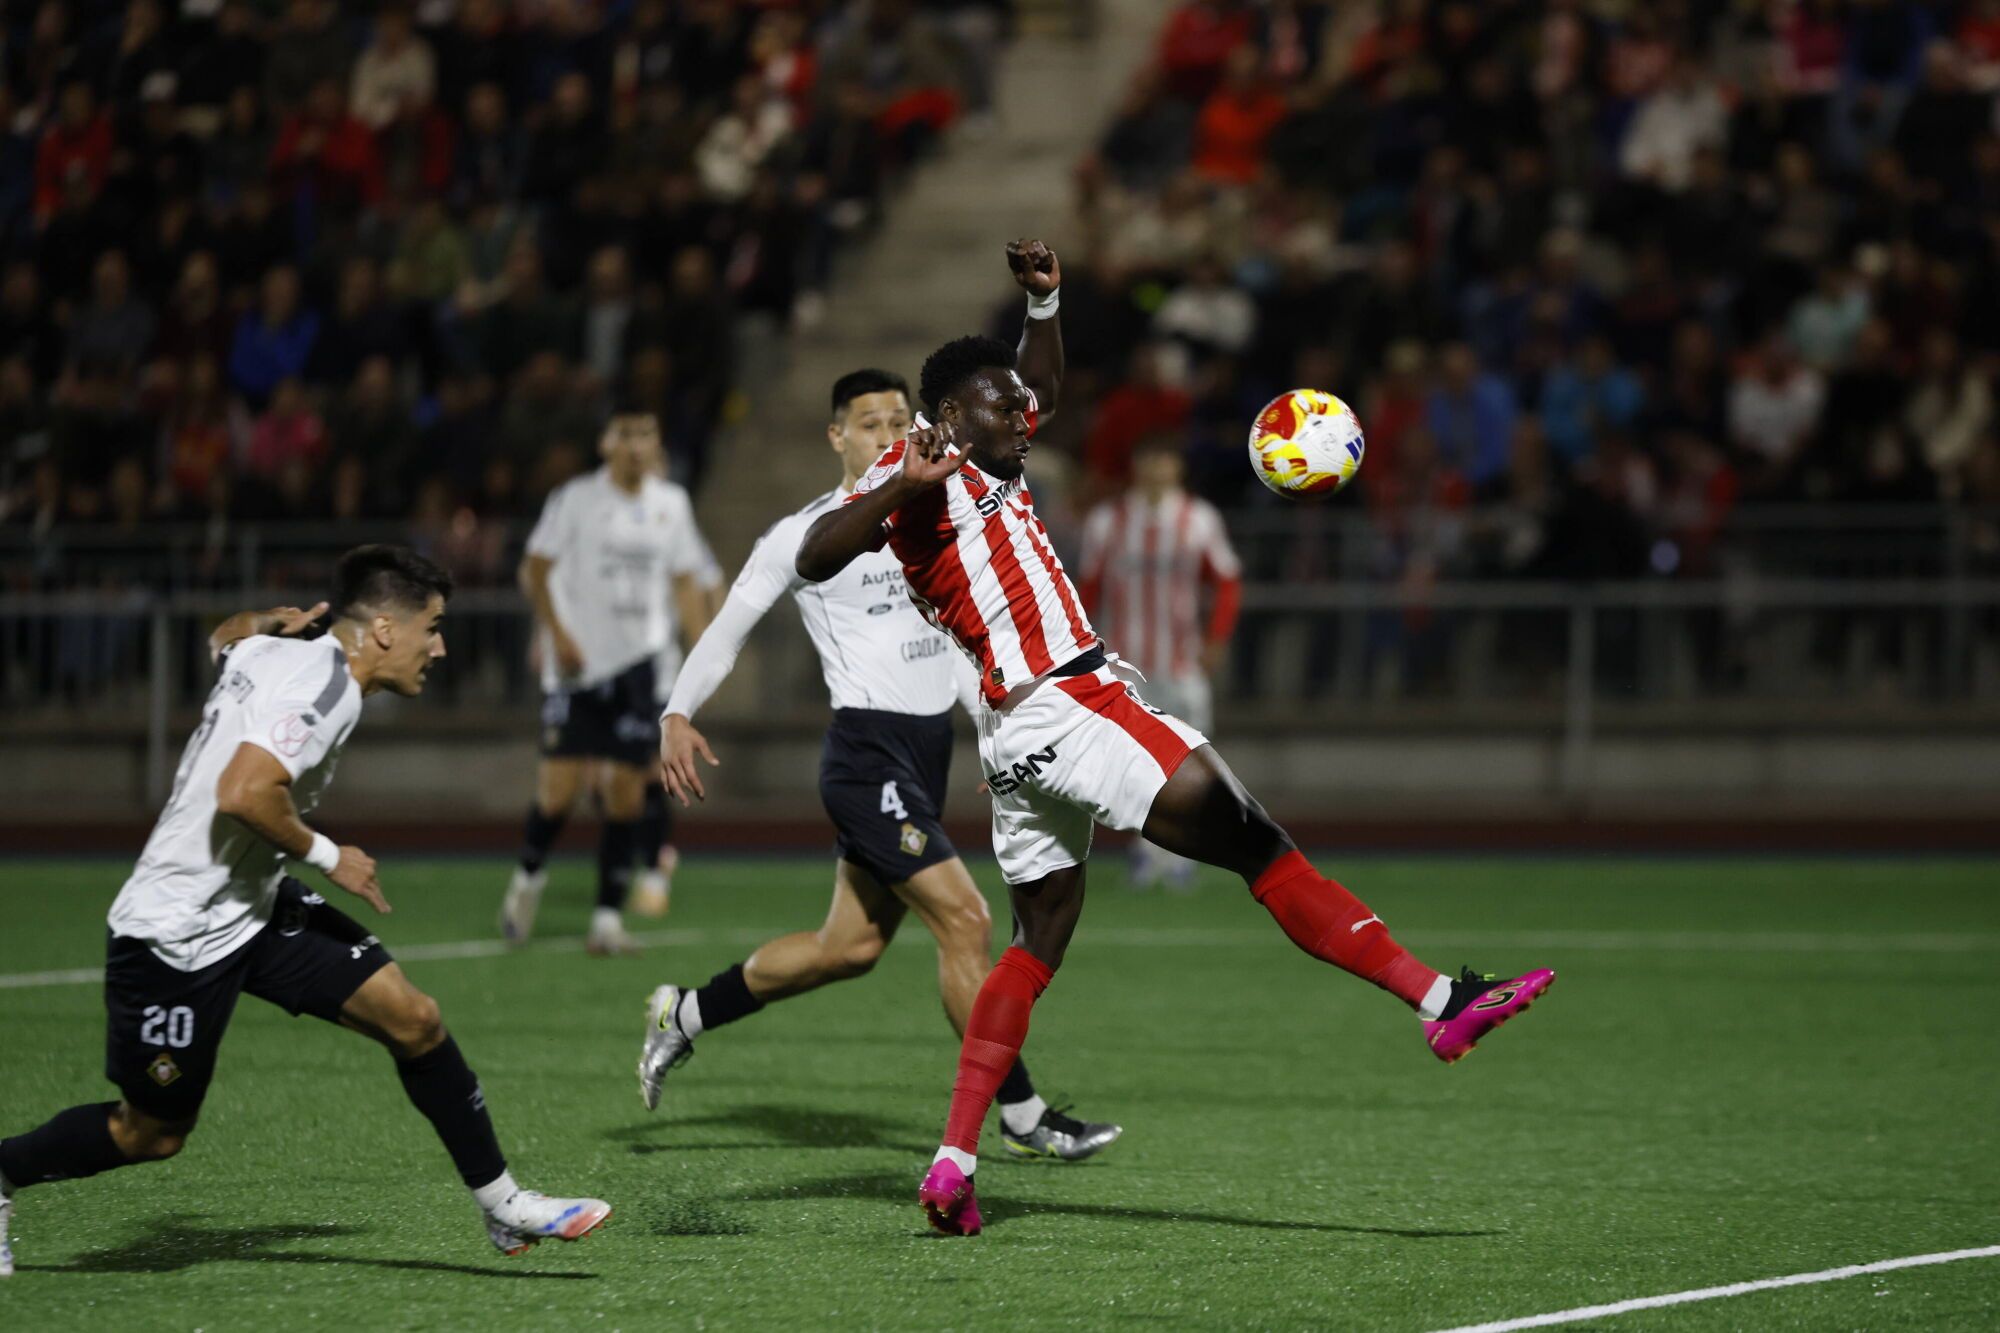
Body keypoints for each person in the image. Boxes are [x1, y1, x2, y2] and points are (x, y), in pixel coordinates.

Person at [794, 238, 1556, 1237]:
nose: (1020, 408)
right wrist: (898, 484)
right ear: (947, 415)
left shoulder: (991, 461)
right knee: (1259, 846)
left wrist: (1046, 302)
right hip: (1072, 707)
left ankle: (949, 1162)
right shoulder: (920, 470)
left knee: (1034, 945)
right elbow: (814, 556)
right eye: (997, 397)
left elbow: (1045, 386)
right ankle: (1435, 1000)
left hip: (1016, 744)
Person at [0, 548, 609, 1278]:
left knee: (415, 1019)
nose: (440, 646)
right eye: (433, 627)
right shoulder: (327, 690)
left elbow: (222, 637)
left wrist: (262, 619)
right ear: (384, 629)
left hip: (254, 905)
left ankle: (503, 1204)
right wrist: (331, 855)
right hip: (175, 932)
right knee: (151, 1133)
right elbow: (243, 791)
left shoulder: (271, 648)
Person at [644, 369, 1119, 1162]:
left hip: (927, 753)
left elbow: (971, 636)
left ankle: (683, 1015)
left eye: (899, 418)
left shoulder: (939, 512)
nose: (886, 432)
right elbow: (730, 626)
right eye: (869, 423)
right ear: (837, 436)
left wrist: (995, 730)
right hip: (867, 757)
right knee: (966, 921)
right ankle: (1024, 1114)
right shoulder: (810, 531)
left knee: (848, 950)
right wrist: (677, 712)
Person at [500, 412, 716, 954]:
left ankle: (605, 919)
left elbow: (688, 583)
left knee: (624, 795)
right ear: (605, 442)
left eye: (647, 434)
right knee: (559, 793)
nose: (637, 446)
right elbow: (537, 568)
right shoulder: (574, 499)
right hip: (577, 667)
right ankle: (528, 877)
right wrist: (555, 634)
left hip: (641, 667)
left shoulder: (671, 504)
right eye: (626, 434)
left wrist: (706, 657)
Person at [1076, 433, 1243, 889]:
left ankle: (1189, 851)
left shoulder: (1199, 518)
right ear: (1135, 466)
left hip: (1183, 662)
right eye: (1148, 459)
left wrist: (1217, 640)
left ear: (1177, 468)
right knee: (1136, 766)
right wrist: (1084, 653)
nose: (1156, 469)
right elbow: (1086, 590)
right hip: (1125, 667)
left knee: (1196, 763)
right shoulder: (1107, 521)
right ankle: (1148, 853)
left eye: (1164, 459)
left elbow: (1227, 583)